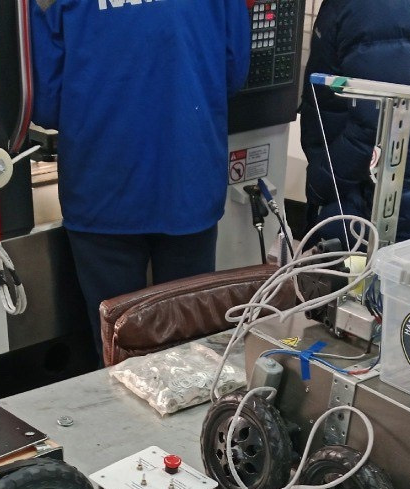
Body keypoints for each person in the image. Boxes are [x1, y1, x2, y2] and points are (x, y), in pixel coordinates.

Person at [29, 0, 251, 363]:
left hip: (103, 183)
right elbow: (233, 71)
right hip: (187, 178)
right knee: (188, 346)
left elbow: (46, 101)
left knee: (119, 347)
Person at [299, 0, 410, 246]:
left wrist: (323, 182)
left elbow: (375, 123)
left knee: (355, 269)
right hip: (388, 187)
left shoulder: (376, 7)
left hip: (367, 197)